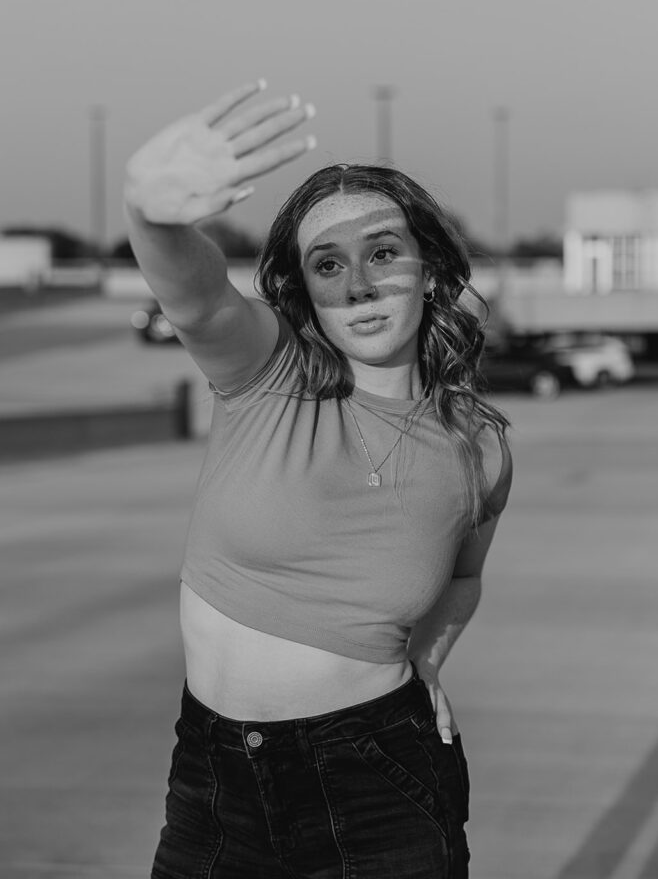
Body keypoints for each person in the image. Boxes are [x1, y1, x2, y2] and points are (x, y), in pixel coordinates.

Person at [124, 80, 512, 879]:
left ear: (431, 268)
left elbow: (465, 575)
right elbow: (195, 297)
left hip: (380, 780)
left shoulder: (480, 447)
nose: (359, 286)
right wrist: (149, 211)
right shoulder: (267, 376)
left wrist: (429, 658)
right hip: (212, 784)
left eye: (382, 252)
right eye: (327, 265)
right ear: (306, 294)